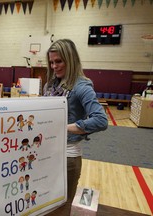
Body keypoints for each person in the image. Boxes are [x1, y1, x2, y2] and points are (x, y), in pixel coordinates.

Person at [43, 39, 108, 201]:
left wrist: (64, 127)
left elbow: (101, 120)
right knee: (45, 201)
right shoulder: (49, 85)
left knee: (64, 205)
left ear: (70, 60)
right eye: (51, 62)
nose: (54, 66)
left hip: (68, 156)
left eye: (58, 61)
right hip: (46, 152)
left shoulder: (82, 86)